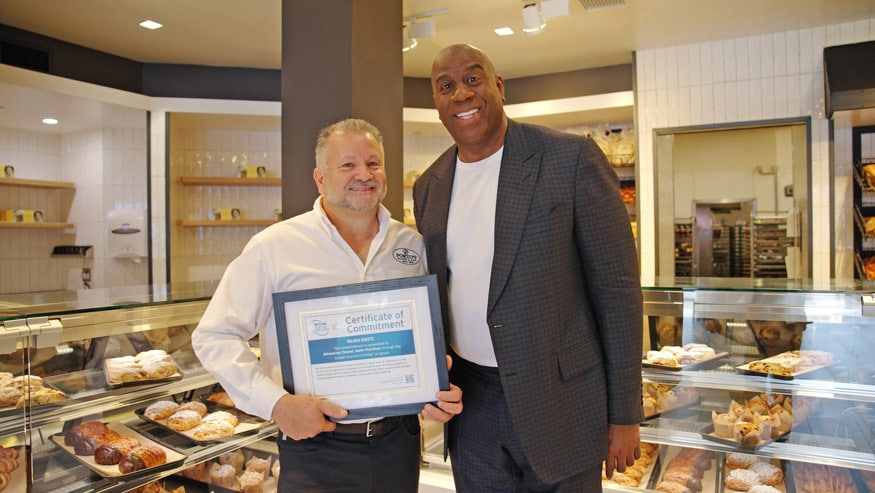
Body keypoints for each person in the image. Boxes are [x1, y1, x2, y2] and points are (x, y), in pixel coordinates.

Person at [413, 44, 643, 492]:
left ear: (498, 87)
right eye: (446, 86)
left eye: (473, 79)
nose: (461, 93)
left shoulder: (570, 159)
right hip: (471, 405)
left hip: (560, 401)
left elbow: (617, 293)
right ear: (437, 104)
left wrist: (624, 415)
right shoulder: (430, 186)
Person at [193, 118, 462, 492]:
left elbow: (428, 334)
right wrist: (276, 405)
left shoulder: (412, 245)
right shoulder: (275, 246)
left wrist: (436, 382)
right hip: (315, 447)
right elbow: (214, 335)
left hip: (398, 443)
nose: (363, 174)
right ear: (320, 178)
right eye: (347, 165)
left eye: (373, 163)